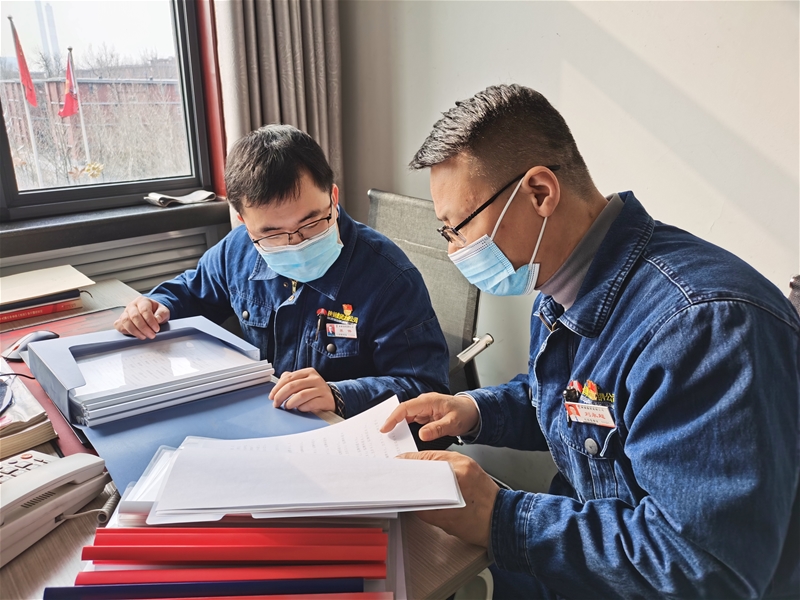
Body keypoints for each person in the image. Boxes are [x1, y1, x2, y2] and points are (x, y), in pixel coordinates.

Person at [381, 84, 800, 598]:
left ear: (540, 193)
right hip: (587, 557)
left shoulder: (704, 328)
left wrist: (498, 515)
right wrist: (473, 410)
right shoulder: (561, 284)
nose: (455, 252)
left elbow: (702, 568)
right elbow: (577, 401)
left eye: (459, 228)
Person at [115, 124, 449, 418]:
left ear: (333, 197)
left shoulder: (390, 278)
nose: (296, 243)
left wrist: (340, 396)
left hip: (344, 439)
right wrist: (155, 306)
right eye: (273, 234)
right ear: (244, 223)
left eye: (311, 223)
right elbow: (193, 291)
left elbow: (427, 389)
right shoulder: (239, 249)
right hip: (261, 419)